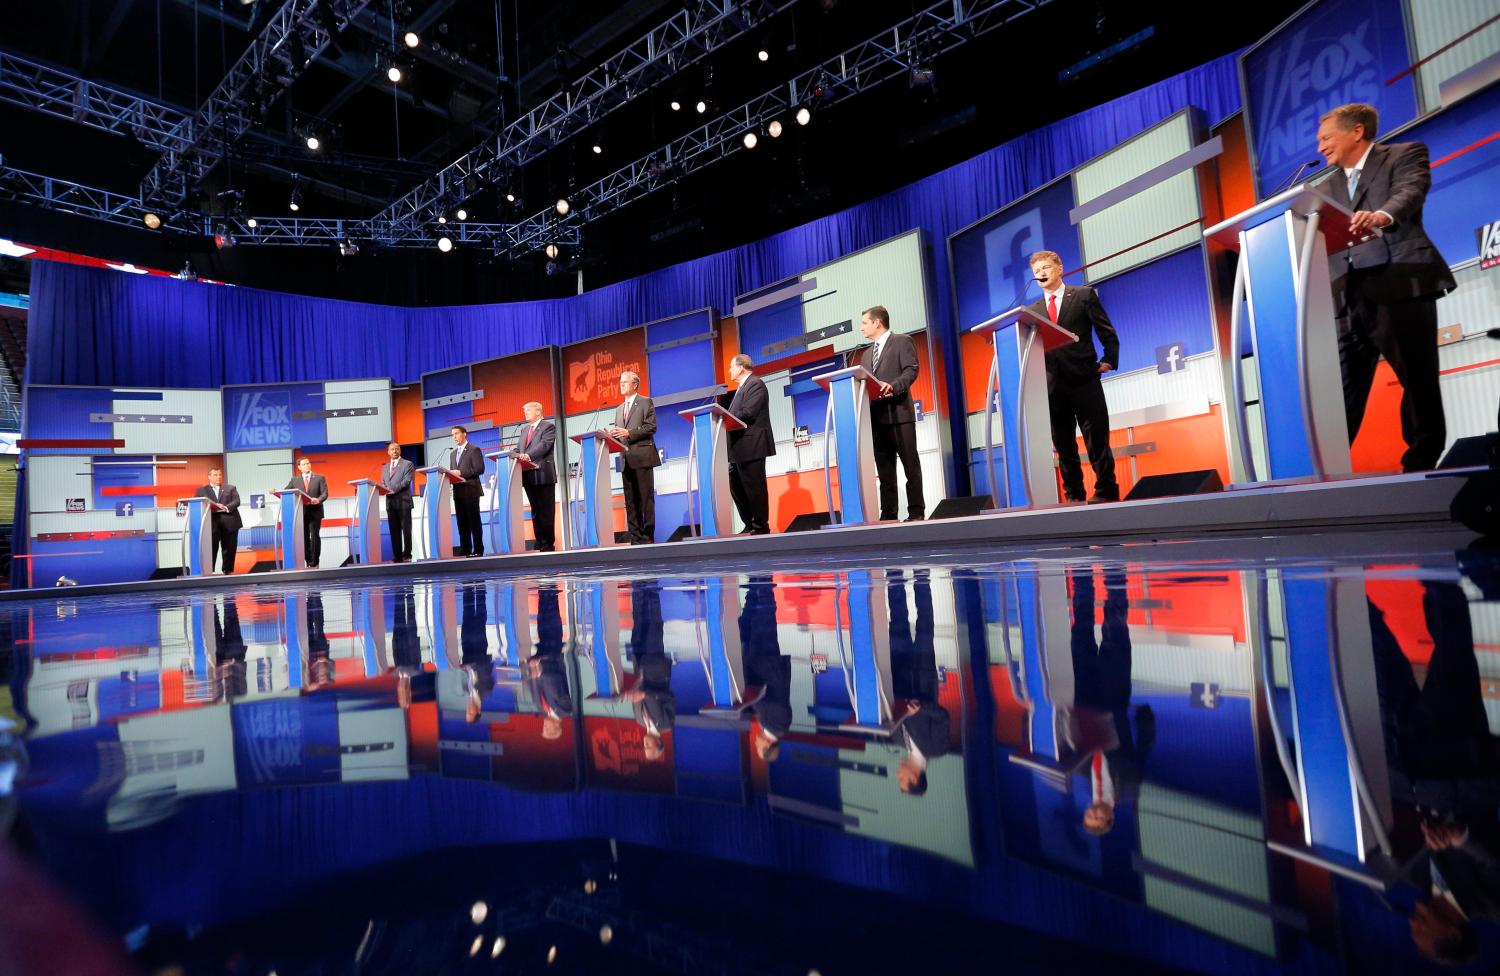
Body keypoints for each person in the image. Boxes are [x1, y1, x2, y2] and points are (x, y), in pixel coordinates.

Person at [1317, 102, 1456, 472]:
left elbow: (1410, 191)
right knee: (1340, 392)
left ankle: (1421, 465)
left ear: (1357, 131)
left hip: (1398, 281)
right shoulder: (1324, 188)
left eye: (1326, 138)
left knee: (1417, 378)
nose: (1320, 147)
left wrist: (1382, 215)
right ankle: (1324, 471)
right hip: (1345, 298)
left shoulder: (1403, 155)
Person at [1028, 250, 1120, 504]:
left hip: (1084, 378)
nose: (1042, 274)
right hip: (1052, 386)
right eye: (1037, 271)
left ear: (1060, 268)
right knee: (1063, 444)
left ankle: (1106, 491)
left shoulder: (1083, 295)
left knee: (1096, 438)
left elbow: (1106, 330)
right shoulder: (1032, 311)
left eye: (1046, 268)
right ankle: (1074, 495)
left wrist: (1109, 359)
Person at [1065, 566, 1151, 835]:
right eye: (1097, 818)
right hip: (1114, 698)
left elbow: (1075, 743)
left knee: (1081, 632)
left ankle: (1081, 574)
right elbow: (1144, 747)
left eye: (1088, 816)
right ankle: (1115, 573)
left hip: (1085, 698)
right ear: (1109, 818)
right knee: (1115, 628)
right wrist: (1145, 716)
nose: (1092, 813)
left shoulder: (1081, 775)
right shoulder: (1129, 784)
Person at [858, 306, 925, 521]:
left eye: (864, 323)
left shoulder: (902, 341)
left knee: (910, 466)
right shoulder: (865, 355)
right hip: (876, 418)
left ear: (877, 322)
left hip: (899, 414)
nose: (861, 328)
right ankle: (888, 514)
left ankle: (916, 512)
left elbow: (911, 369)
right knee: (885, 471)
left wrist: (894, 386)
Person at [887, 569, 949, 796]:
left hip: (900, 676)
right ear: (914, 777)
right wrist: (921, 708)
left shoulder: (898, 740)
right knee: (924, 623)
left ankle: (893, 574)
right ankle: (921, 576)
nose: (897, 774)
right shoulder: (937, 748)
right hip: (923, 676)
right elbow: (942, 716)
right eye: (901, 779)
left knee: (897, 623)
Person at [739, 575, 791, 762]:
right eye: (758, 747)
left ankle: (755, 587)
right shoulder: (780, 726)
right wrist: (748, 705)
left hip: (759, 666)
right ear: (768, 745)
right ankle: (763, 583)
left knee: (749, 625)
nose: (755, 743)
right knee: (764, 622)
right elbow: (770, 703)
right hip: (769, 666)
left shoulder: (767, 725)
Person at [724, 354, 775, 535]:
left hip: (752, 445)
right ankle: (749, 523)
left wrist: (723, 416)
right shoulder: (741, 388)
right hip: (737, 449)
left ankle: (761, 526)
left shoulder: (755, 384)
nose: (729, 370)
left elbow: (748, 413)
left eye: (732, 367)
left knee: (754, 487)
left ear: (741, 368)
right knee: (736, 487)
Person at [607, 371, 660, 545]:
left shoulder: (646, 402)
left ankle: (648, 536)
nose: (621, 384)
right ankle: (635, 537)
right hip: (625, 460)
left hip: (642, 457)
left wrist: (629, 432)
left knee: (646, 499)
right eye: (620, 382)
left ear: (635, 384)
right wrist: (609, 436)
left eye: (624, 382)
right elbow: (620, 434)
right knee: (630, 502)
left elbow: (651, 427)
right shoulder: (618, 409)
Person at [627, 579, 674, 761]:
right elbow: (669, 697)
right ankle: (652, 588)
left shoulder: (639, 721)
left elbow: (635, 695)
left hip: (639, 666)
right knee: (654, 625)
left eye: (644, 746)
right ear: (659, 743)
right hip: (656, 669)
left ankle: (638, 589)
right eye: (648, 746)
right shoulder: (666, 724)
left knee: (638, 624)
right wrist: (646, 695)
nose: (644, 743)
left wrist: (630, 693)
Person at [526, 583, 572, 742]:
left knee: (542, 622)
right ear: (555, 727)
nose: (544, 725)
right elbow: (558, 682)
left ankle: (543, 591)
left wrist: (531, 670)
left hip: (539, 659)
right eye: (546, 728)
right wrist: (541, 672)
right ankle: (550, 590)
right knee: (552, 621)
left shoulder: (540, 707)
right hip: (552, 658)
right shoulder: (564, 710)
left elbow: (532, 684)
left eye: (543, 728)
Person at [516, 401, 557, 552]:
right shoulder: (524, 430)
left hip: (543, 473)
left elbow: (544, 445)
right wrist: (512, 455)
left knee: (546, 510)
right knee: (535, 510)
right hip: (528, 475)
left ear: (538, 411)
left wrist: (528, 455)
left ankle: (548, 543)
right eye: (524, 410)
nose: (525, 412)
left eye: (528, 410)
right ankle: (539, 540)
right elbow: (519, 449)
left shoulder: (548, 427)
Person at [445, 425, 486, 557]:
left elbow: (479, 469)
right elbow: (453, 473)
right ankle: (465, 548)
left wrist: (461, 472)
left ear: (464, 434)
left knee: (474, 521)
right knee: (461, 522)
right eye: (452, 435)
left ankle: (478, 549)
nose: (454, 437)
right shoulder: (452, 454)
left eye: (456, 433)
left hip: (471, 490)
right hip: (458, 491)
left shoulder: (474, 450)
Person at [195, 467, 242, 574]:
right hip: (211, 524)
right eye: (215, 475)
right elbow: (197, 504)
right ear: (209, 477)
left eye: (220, 475)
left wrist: (225, 507)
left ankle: (228, 571)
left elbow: (237, 501)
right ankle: (209, 571)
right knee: (211, 549)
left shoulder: (230, 488)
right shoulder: (201, 491)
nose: (218, 477)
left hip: (230, 523)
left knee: (229, 549)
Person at [286, 456, 328, 567]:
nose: (307, 465)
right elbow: (286, 491)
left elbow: (324, 493)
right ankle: (308, 561)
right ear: (299, 467)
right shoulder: (295, 480)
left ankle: (315, 561)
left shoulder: (319, 477)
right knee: (304, 537)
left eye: (308, 463)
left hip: (315, 511)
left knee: (314, 536)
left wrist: (318, 500)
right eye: (304, 464)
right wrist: (277, 491)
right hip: (301, 513)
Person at [378, 442, 415, 562]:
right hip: (390, 503)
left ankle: (407, 555)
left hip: (403, 502)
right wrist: (384, 489)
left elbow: (406, 481)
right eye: (392, 449)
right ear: (388, 452)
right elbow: (383, 482)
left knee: (406, 530)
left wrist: (391, 490)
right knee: (394, 531)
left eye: (397, 449)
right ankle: (397, 556)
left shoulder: (407, 464)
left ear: (400, 451)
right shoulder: (385, 467)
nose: (395, 451)